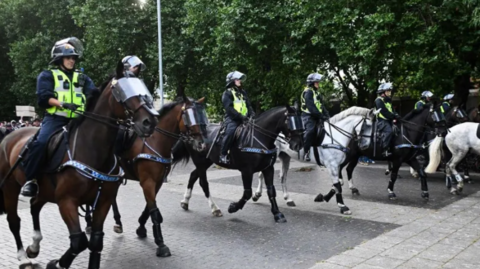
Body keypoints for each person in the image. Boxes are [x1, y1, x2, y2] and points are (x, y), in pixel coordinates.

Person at [20, 37, 97, 197]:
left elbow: (94, 94)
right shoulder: (48, 75)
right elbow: (43, 97)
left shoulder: (83, 77)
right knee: (41, 142)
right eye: (69, 57)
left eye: (74, 58)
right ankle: (31, 180)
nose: (72, 60)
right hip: (56, 119)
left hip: (79, 120)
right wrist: (63, 104)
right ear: (60, 58)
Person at [219, 71, 254, 164]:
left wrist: (252, 114)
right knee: (230, 132)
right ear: (232, 81)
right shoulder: (227, 93)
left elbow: (248, 105)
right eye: (238, 79)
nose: (240, 81)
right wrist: (240, 116)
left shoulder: (242, 92)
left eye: (239, 80)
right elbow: (229, 108)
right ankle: (223, 154)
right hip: (233, 119)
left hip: (245, 119)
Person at [300, 73, 329, 161]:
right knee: (310, 131)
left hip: (316, 116)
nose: (318, 84)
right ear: (312, 83)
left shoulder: (316, 93)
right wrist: (321, 116)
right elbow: (311, 107)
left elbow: (321, 106)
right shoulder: (308, 92)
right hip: (308, 116)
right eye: (317, 82)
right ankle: (306, 152)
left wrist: (327, 115)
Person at [375, 83, 400, 157]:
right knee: (389, 131)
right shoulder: (378, 100)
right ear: (383, 92)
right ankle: (384, 150)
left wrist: (397, 115)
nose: (390, 92)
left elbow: (392, 110)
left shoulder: (388, 100)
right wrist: (394, 116)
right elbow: (384, 112)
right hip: (382, 121)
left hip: (388, 120)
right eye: (388, 91)